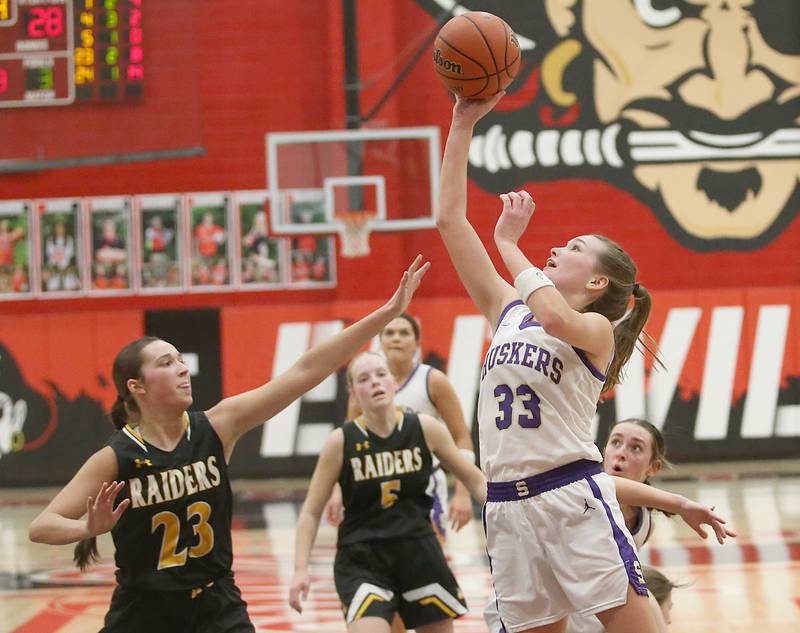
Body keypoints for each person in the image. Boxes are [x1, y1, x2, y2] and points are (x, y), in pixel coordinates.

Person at [436, 93, 734, 633]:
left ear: (597, 282)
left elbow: (552, 316)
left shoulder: (596, 330)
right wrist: (462, 123)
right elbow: (450, 220)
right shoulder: (509, 310)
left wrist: (507, 242)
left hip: (571, 497)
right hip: (505, 505)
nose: (557, 248)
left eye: (574, 247)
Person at [28, 256, 431, 633]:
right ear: (136, 387)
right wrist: (86, 527)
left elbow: (305, 370)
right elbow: (41, 526)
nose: (183, 368)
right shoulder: (117, 457)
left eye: (180, 359)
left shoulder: (217, 427)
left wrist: (387, 314)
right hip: (145, 610)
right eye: (166, 363)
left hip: (216, 602)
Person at [288, 351, 487, 633]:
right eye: (364, 379)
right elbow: (310, 511)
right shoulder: (341, 441)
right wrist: (299, 570)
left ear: (394, 383)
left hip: (419, 551)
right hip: (362, 558)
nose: (374, 383)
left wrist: (507, 512)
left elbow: (474, 480)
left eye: (381, 375)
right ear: (353, 392)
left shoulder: (425, 428)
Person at [484, 417, 677, 633]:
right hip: (530, 601)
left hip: (578, 604)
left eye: (636, 448)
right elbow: (609, 486)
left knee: (650, 598)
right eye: (616, 443)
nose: (622, 453)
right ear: (603, 450)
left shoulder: (645, 520)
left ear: (653, 467)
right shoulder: (577, 491)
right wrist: (679, 503)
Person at [324, 312, 476, 539]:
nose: (396, 338)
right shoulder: (364, 385)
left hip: (425, 483)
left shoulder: (432, 380)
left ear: (416, 343)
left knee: (429, 562)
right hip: (376, 482)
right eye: (390, 333)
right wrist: (338, 491)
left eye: (404, 333)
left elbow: (461, 437)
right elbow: (350, 441)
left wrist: (463, 493)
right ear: (380, 341)